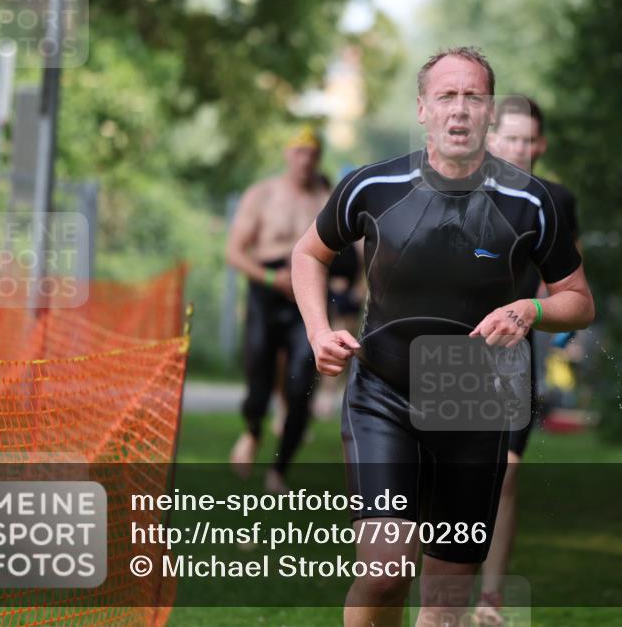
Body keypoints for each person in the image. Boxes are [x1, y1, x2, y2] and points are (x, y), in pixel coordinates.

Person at [291, 47, 594, 627]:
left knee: (445, 603)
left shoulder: (531, 202)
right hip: (383, 394)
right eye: (446, 96)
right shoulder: (373, 186)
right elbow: (309, 253)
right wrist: (318, 330)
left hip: (474, 402)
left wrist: (531, 309)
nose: (459, 109)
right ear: (422, 109)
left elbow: (578, 301)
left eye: (473, 97)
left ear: (490, 112)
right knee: (385, 572)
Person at [475, 95, 581, 625]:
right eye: (510, 138)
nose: (518, 148)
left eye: (528, 140)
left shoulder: (555, 201)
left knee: (507, 473)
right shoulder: (461, 190)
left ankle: (490, 598)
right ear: (492, 138)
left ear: (541, 144)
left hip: (515, 351)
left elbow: (568, 280)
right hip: (454, 349)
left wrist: (548, 320)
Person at [226, 125, 330, 494]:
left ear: (319, 157)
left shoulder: (327, 198)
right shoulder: (263, 195)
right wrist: (273, 280)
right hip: (266, 293)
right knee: (258, 382)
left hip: (307, 298)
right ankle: (253, 430)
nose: (305, 161)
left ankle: (278, 470)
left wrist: (351, 285)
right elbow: (235, 252)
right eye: (299, 152)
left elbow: (354, 251)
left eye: (312, 154)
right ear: (287, 154)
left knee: (301, 387)